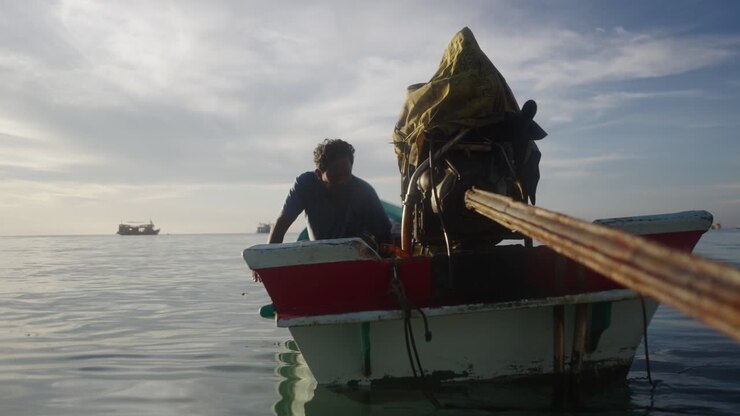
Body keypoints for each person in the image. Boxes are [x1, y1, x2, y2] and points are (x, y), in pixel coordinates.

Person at [265, 138, 391, 246]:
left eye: (346, 174)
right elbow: (281, 224)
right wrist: (264, 264)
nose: (342, 181)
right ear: (319, 174)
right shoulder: (306, 184)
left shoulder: (365, 192)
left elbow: (386, 237)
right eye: (335, 176)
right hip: (318, 258)